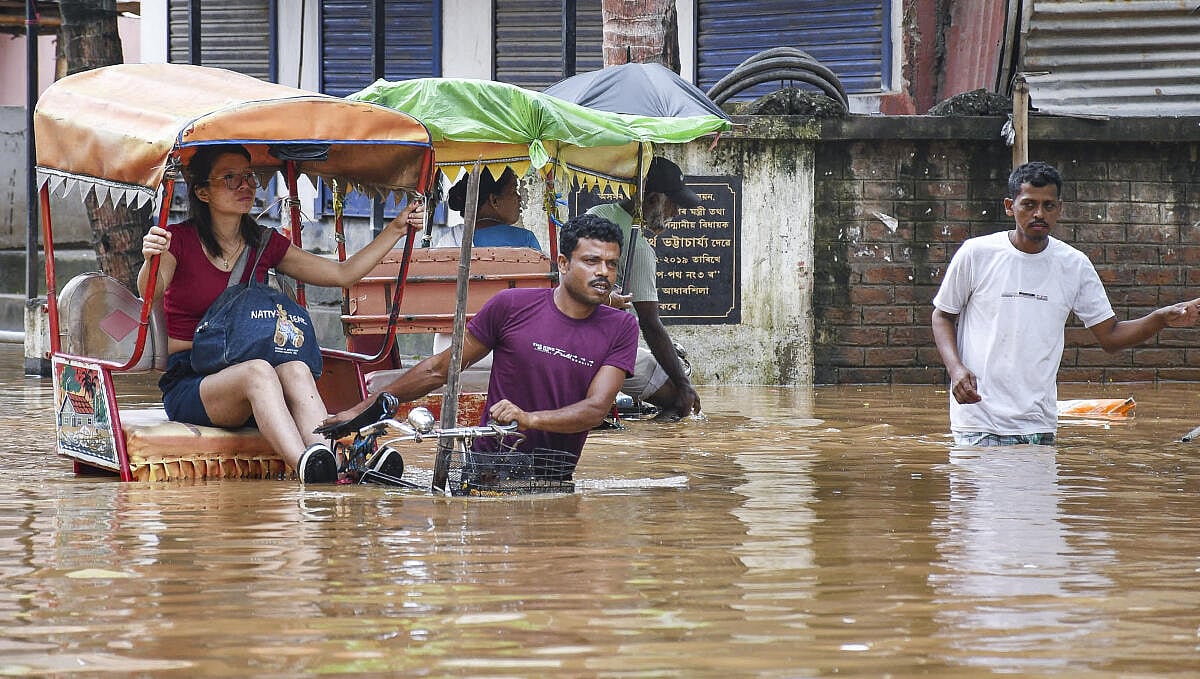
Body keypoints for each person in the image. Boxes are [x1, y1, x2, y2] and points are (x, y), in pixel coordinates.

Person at [138, 143, 426, 482]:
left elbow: (342, 274)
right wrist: (150, 257)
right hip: (196, 381)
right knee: (258, 370)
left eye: (248, 177)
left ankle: (331, 458)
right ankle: (307, 465)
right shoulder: (177, 241)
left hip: (262, 384)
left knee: (295, 368)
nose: (244, 186)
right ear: (202, 192)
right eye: (230, 179)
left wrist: (395, 229)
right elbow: (148, 293)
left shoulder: (264, 242)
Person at [321, 213, 639, 463]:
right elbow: (439, 369)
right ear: (563, 264)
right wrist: (363, 408)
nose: (604, 273)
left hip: (555, 473)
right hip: (488, 466)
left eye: (611, 264)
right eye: (591, 261)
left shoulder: (621, 327)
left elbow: (596, 409)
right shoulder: (511, 306)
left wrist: (529, 419)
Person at [931, 161, 1200, 446]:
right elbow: (943, 315)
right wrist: (956, 369)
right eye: (1029, 204)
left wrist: (1160, 318)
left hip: (1038, 425)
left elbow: (1110, 337)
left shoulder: (1074, 265)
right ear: (1010, 206)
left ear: (1059, 208)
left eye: (1048, 206)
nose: (1039, 214)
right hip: (976, 423)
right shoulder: (977, 253)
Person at [587, 156, 701, 421]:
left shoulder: (597, 214)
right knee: (680, 402)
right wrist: (683, 385)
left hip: (577, 336)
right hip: (608, 349)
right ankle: (660, 451)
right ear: (650, 199)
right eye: (673, 204)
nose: (676, 213)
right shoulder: (639, 249)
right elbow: (650, 324)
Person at [429, 167, 542, 251]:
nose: (519, 197)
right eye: (513, 191)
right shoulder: (525, 240)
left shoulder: (449, 240)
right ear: (494, 201)